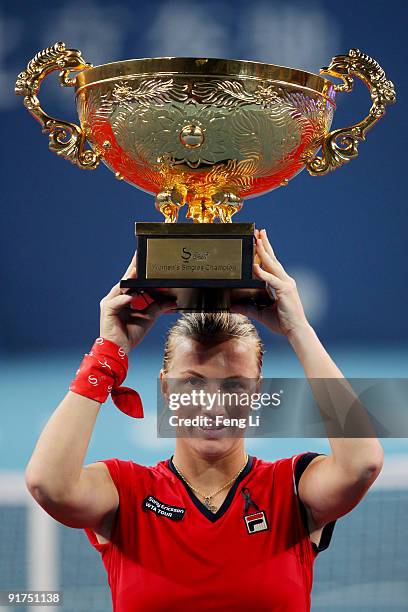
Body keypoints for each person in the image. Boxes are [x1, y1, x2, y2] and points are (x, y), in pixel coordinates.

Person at [25, 228, 384, 611]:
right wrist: (109, 351)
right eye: (193, 382)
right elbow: (49, 485)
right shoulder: (127, 492)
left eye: (233, 385)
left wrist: (299, 329)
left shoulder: (291, 490)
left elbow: (361, 464)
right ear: (166, 389)